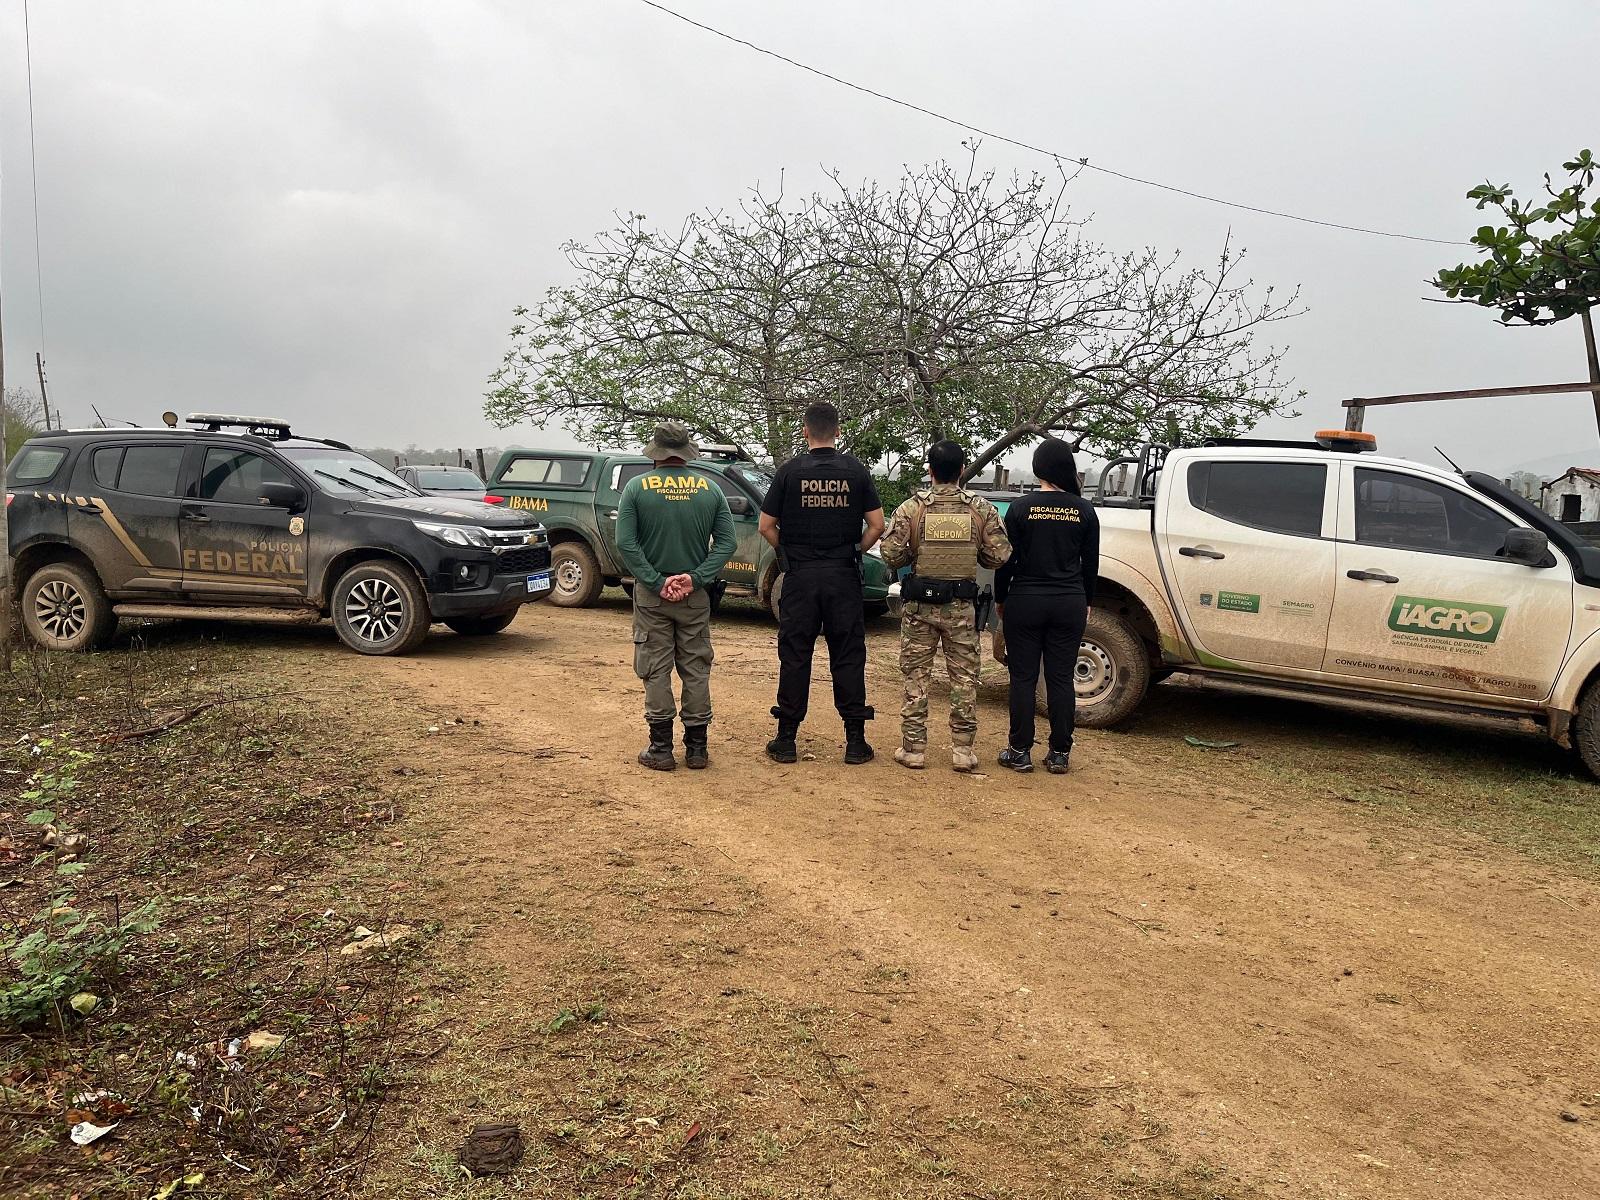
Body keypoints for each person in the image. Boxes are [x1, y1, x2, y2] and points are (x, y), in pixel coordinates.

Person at [759, 401, 886, 765]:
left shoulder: (789, 472)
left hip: (800, 576)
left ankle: (786, 741)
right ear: (838, 431)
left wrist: (790, 551)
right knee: (847, 653)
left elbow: (765, 525)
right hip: (842, 574)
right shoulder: (856, 471)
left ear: (805, 431)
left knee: (796, 655)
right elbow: (876, 525)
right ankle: (855, 742)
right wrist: (854, 549)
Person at [879, 441, 1012, 771]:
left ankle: (913, 749)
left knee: (916, 677)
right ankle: (963, 752)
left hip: (920, 609)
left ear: (930, 469)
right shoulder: (980, 509)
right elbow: (999, 555)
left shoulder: (912, 508)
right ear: (962, 470)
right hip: (961, 609)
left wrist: (914, 552)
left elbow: (891, 554)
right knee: (964, 679)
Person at [615, 423, 737, 771]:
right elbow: (727, 543)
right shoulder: (710, 489)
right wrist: (695, 578)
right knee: (696, 668)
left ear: (654, 452)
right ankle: (697, 749)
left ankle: (661, 748)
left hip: (653, 597)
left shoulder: (636, 488)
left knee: (655, 667)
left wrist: (655, 581)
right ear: (687, 453)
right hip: (694, 596)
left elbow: (626, 543)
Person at [992, 438, 1099, 774]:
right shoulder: (1084, 511)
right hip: (1069, 601)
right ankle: (1059, 754)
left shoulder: (1021, 508)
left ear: (1038, 468)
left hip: (1025, 600)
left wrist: (1000, 598)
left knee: (1023, 678)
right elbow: (1090, 564)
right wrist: (1087, 602)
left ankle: (1019, 751)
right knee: (1061, 678)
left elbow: (1005, 561)